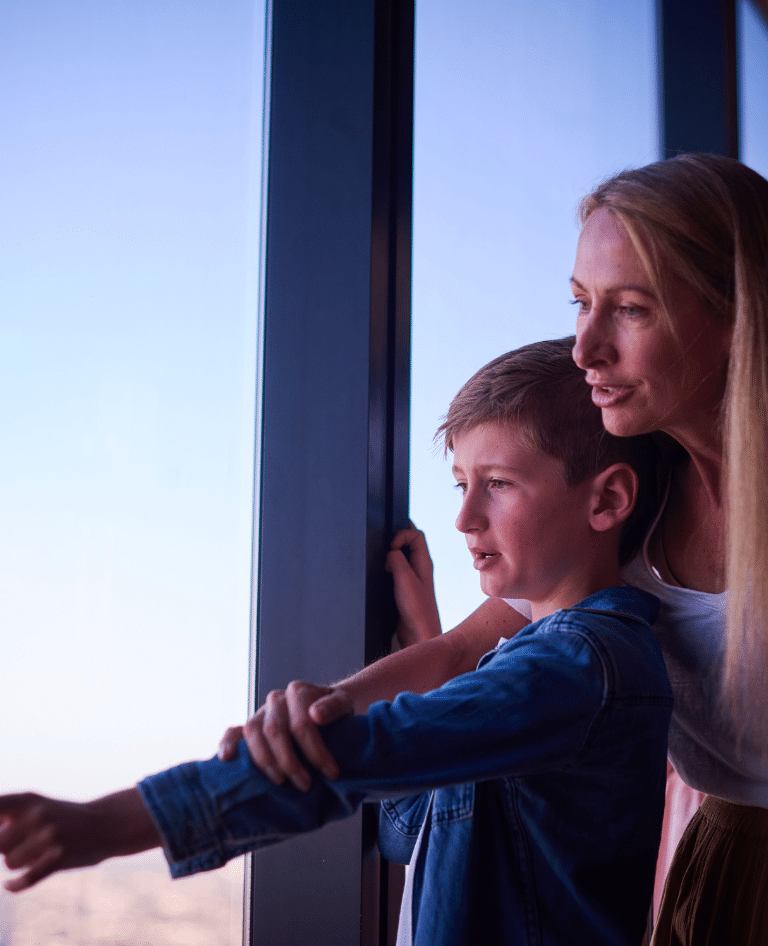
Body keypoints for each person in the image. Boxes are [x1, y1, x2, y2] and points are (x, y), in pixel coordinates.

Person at [223, 153, 768, 946]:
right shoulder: (635, 497)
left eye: (631, 310)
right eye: (581, 302)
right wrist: (326, 705)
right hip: (716, 861)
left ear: (737, 316)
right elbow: (460, 652)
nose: (585, 349)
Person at [0, 339, 673, 946]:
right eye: (462, 484)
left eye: (497, 484)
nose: (465, 517)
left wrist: (104, 825)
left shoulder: (580, 667)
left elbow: (360, 760)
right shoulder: (540, 668)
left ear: (607, 500)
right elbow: (404, 829)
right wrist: (424, 645)